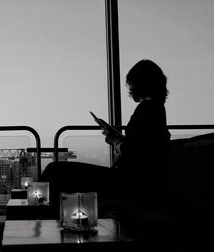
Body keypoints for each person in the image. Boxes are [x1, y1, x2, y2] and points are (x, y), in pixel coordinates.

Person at [42, 59, 171, 212]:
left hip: (126, 181)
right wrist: (121, 140)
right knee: (56, 170)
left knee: (55, 171)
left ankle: (46, 218)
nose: (130, 90)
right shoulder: (156, 109)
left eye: (131, 85)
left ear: (139, 84)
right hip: (132, 179)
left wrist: (116, 141)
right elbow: (144, 147)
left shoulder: (147, 110)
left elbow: (136, 152)